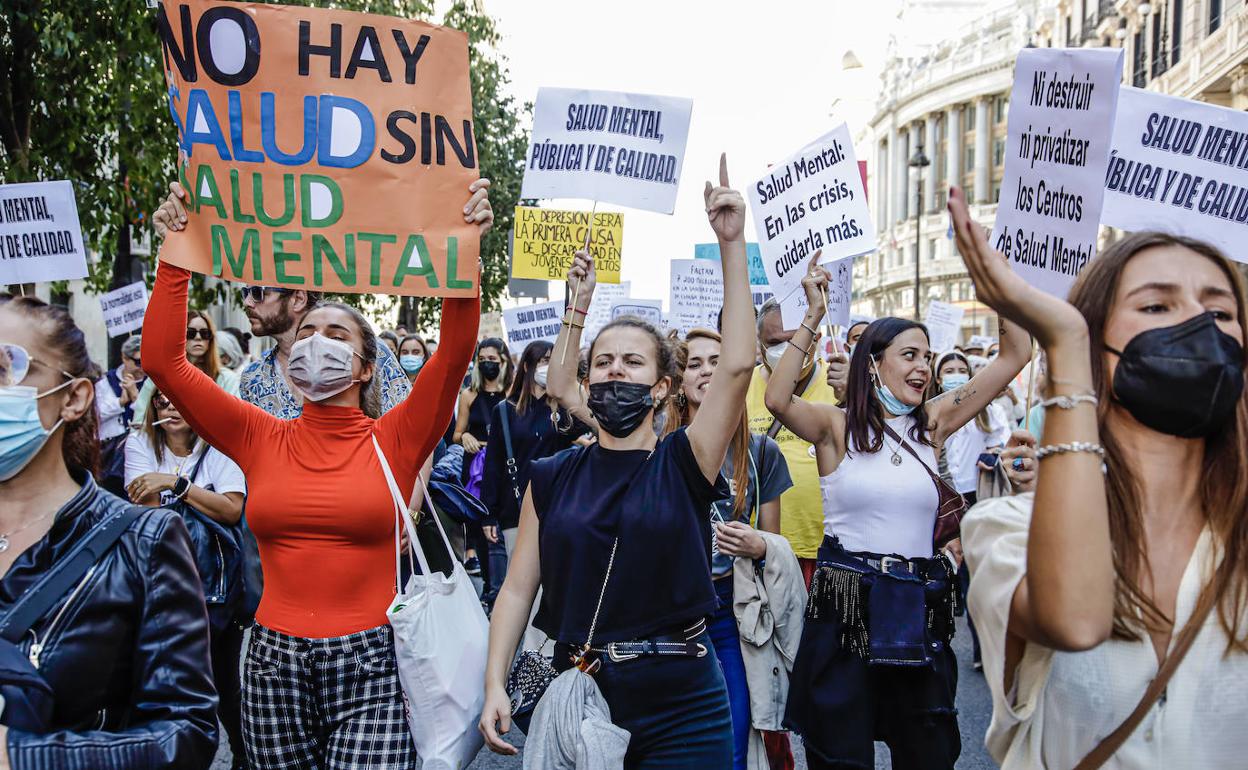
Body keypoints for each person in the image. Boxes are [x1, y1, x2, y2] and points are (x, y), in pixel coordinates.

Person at [147, 178, 493, 768]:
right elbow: (164, 360)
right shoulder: (258, 433)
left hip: (372, 664)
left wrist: (464, 251)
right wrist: (174, 255)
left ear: (363, 368)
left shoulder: (397, 438)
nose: (315, 343)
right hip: (272, 665)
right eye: (307, 333)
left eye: (336, 336)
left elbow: (456, 351)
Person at [481, 156, 752, 767]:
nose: (614, 373)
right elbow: (519, 588)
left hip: (685, 702)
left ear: (663, 387)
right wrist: (495, 679)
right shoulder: (553, 477)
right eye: (603, 363)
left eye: (633, 363)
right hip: (582, 693)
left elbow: (737, 364)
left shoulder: (686, 463)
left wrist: (730, 244)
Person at [961, 223, 1248, 768]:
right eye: (1158, 307)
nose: (1196, 323)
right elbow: (1074, 620)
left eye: (1221, 312)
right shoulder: (1006, 527)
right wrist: (1067, 353)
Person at [766, 212, 1032, 766]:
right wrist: (812, 316)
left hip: (918, 608)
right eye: (910, 355)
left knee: (928, 754)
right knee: (841, 756)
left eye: (927, 357)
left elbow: (1014, 356)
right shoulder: (836, 428)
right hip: (845, 611)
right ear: (874, 363)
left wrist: (998, 284)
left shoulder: (933, 422)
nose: (923, 367)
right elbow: (776, 400)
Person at [0, 292, 218, 768]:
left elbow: (186, 733)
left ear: (74, 398)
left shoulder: (142, 542)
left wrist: (25, 757)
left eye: (4, 368)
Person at [672, 327, 794, 770]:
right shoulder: (656, 448)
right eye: (695, 363)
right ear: (677, 381)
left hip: (730, 612)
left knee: (734, 739)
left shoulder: (761, 454)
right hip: (669, 617)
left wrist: (757, 544)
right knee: (674, 743)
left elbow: (774, 546)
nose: (708, 371)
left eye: (717, 361)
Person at [124, 387, 247, 768]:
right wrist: (197, 494)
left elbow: (230, 509)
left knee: (224, 682)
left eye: (179, 399)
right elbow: (146, 512)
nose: (171, 406)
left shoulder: (219, 447)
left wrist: (174, 485)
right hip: (162, 584)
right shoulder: (140, 442)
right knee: (166, 679)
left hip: (217, 590)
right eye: (161, 399)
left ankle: (245, 756)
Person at [746, 298, 840, 585]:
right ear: (759, 344)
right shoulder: (742, 387)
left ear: (817, 338)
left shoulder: (840, 385)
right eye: (775, 342)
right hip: (759, 548)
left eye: (796, 339)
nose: (788, 351)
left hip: (828, 549)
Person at [454, 337, 512, 577]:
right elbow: (457, 433)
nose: (488, 364)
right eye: (483, 359)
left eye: (493, 359)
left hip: (504, 464)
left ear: (504, 362)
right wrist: (465, 437)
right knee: (480, 524)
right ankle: (489, 584)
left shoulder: (512, 393)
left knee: (504, 522)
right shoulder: (468, 394)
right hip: (477, 465)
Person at [133, 308, 239, 425]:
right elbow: (139, 422)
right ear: (178, 337)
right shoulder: (160, 377)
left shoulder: (227, 379)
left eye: (205, 333)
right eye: (190, 333)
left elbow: (234, 421)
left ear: (211, 339)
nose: (198, 338)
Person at [95, 333, 144, 496]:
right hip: (110, 455)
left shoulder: (153, 381)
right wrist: (120, 402)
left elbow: (153, 416)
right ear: (124, 358)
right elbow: (96, 414)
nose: (142, 367)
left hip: (142, 451)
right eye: (138, 362)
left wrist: (136, 396)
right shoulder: (105, 381)